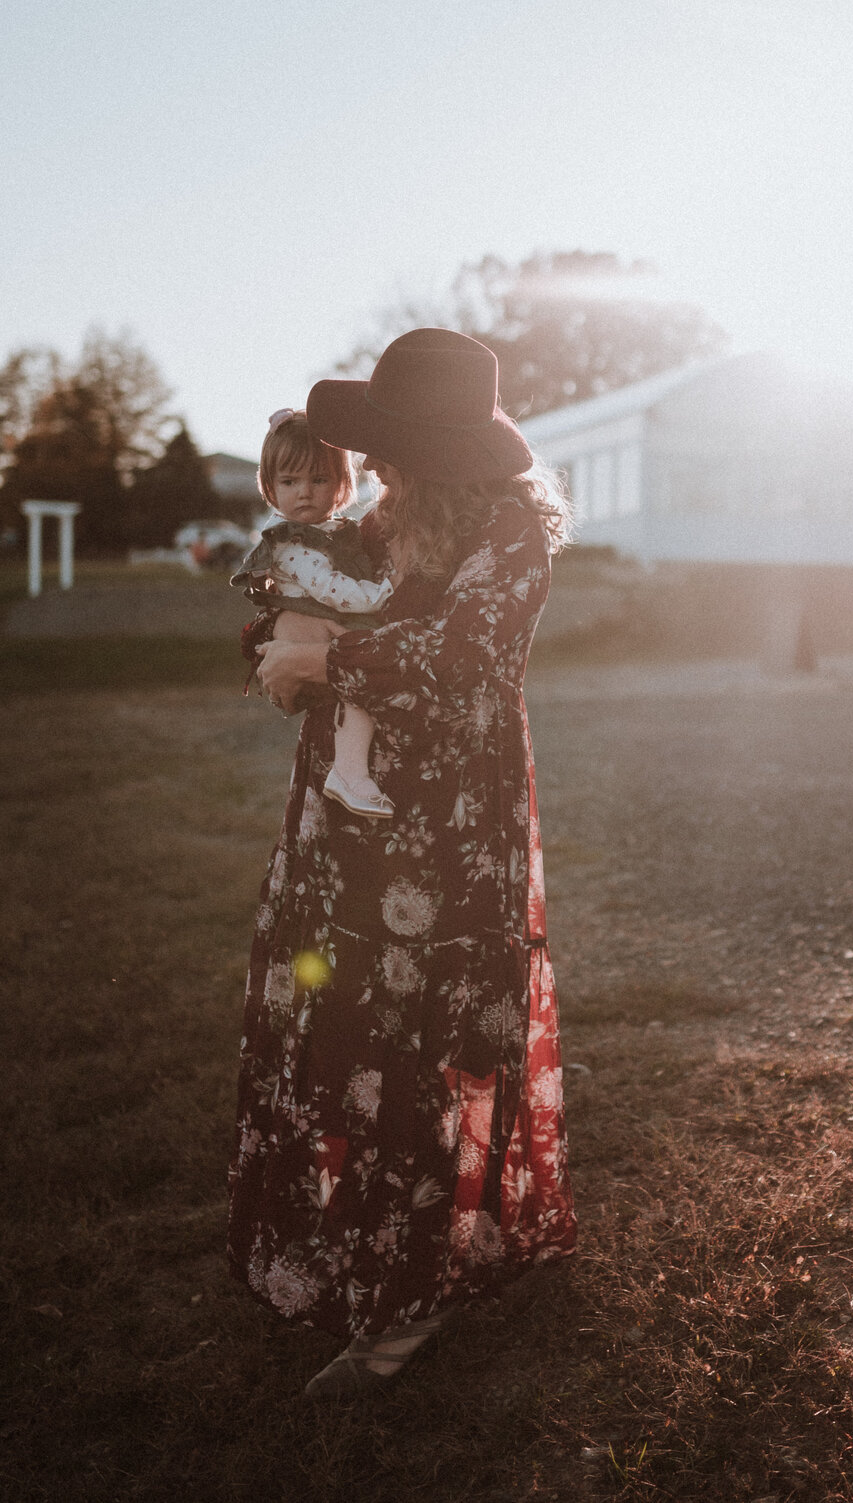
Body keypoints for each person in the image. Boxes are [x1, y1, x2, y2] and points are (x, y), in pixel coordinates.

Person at [227, 328, 577, 1398]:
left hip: (448, 824)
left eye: (392, 448)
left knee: (425, 1047)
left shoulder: (515, 531)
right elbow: (296, 612)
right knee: (339, 1028)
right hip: (341, 817)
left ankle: (407, 1299)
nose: (374, 467)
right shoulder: (375, 525)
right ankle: (350, 1260)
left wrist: (323, 655)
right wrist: (278, 646)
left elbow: (468, 653)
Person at [231, 409, 396, 818]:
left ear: (342, 484)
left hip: (317, 628)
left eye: (318, 480)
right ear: (269, 486)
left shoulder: (330, 530)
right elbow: (331, 589)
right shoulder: (293, 543)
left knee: (353, 690)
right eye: (289, 482)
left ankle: (348, 767)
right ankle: (350, 770)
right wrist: (383, 594)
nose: (304, 492)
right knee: (360, 686)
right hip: (324, 623)